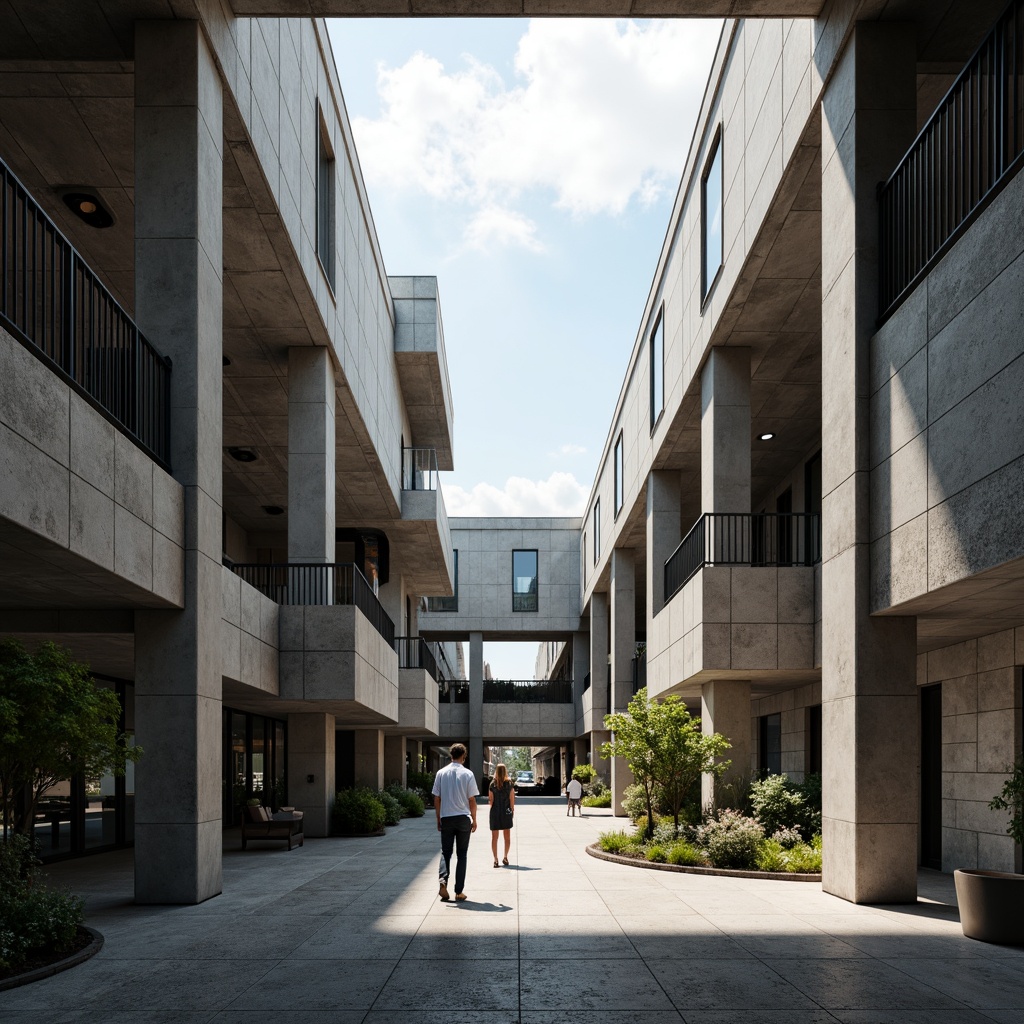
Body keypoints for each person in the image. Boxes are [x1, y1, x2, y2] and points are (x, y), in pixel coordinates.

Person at [432, 742, 479, 902]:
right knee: (462, 854)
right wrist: (474, 819)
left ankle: (443, 880)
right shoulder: (468, 774)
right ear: (463, 757)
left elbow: (437, 798)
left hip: (447, 817)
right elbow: (471, 800)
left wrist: (439, 818)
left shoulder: (441, 773)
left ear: (451, 755)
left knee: (446, 852)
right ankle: (459, 892)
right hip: (463, 818)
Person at [488, 763, 515, 867]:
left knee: (494, 837)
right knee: (507, 837)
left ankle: (495, 859)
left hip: (495, 812)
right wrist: (512, 811)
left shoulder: (492, 784)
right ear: (505, 771)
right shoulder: (509, 784)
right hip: (506, 812)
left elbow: (491, 801)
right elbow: (512, 799)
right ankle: (505, 857)